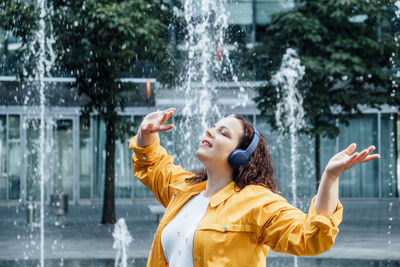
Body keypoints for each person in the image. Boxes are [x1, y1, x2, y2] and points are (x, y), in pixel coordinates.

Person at [129, 107, 379, 267]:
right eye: (213, 128)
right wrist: (145, 133)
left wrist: (330, 177)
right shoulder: (185, 190)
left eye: (223, 133)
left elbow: (311, 237)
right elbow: (152, 165)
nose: (210, 132)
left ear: (240, 154)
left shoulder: (258, 202)